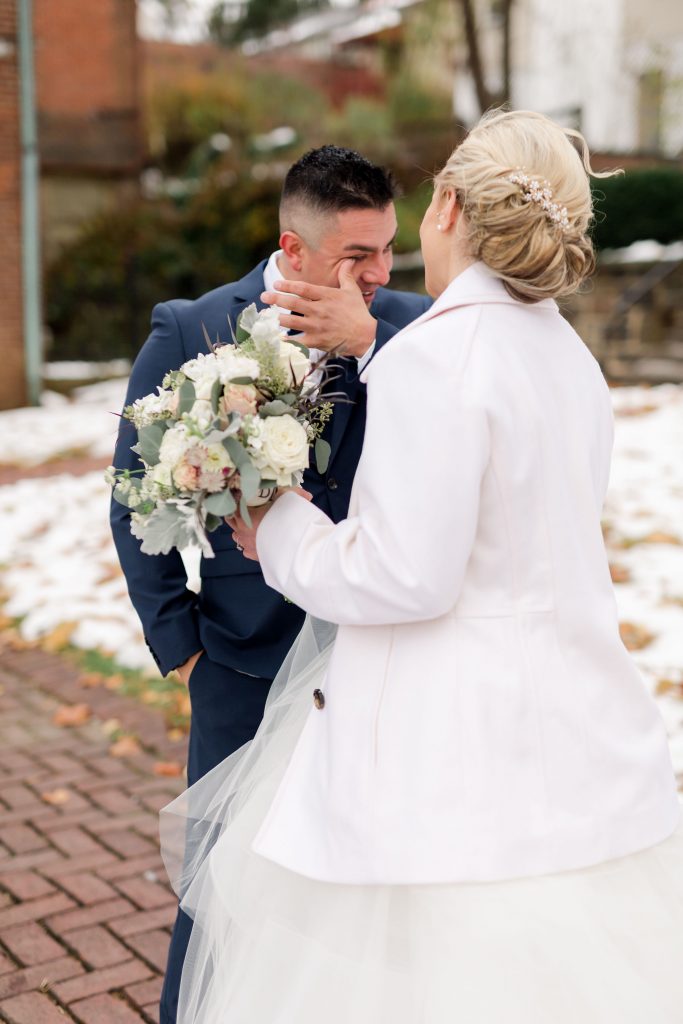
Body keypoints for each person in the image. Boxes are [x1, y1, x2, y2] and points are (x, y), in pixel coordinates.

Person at [160, 109, 683, 1023]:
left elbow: (401, 576)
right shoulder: (567, 357)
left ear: (445, 205)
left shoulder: (436, 357)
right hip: (571, 728)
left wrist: (275, 525)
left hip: (444, 753)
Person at [109, 145, 430, 1024]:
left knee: (367, 884)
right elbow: (133, 498)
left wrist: (377, 339)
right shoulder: (193, 330)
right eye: (355, 257)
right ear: (292, 250)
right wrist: (182, 652)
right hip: (241, 665)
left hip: (375, 659)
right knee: (219, 890)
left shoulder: (414, 327)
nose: (378, 274)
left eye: (387, 250)